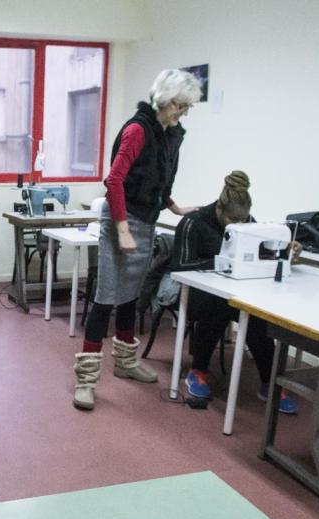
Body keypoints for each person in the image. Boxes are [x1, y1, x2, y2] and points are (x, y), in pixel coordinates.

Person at [73, 69, 202, 410]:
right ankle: (86, 379)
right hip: (121, 220)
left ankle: (126, 362)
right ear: (166, 100)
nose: (183, 113)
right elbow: (114, 182)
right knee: (106, 298)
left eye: (186, 107)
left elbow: (161, 178)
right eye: (181, 105)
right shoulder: (137, 130)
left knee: (130, 297)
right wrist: (122, 229)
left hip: (145, 220)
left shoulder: (167, 134)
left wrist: (173, 206)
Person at [171, 171, 300, 414]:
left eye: (244, 220)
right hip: (195, 293)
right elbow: (180, 265)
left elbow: (261, 253)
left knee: (256, 316)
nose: (239, 225)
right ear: (219, 208)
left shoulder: (246, 223)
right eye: (233, 219)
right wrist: (224, 263)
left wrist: (284, 248)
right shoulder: (193, 222)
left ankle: (268, 383)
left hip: (234, 292)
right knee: (218, 306)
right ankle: (197, 371)